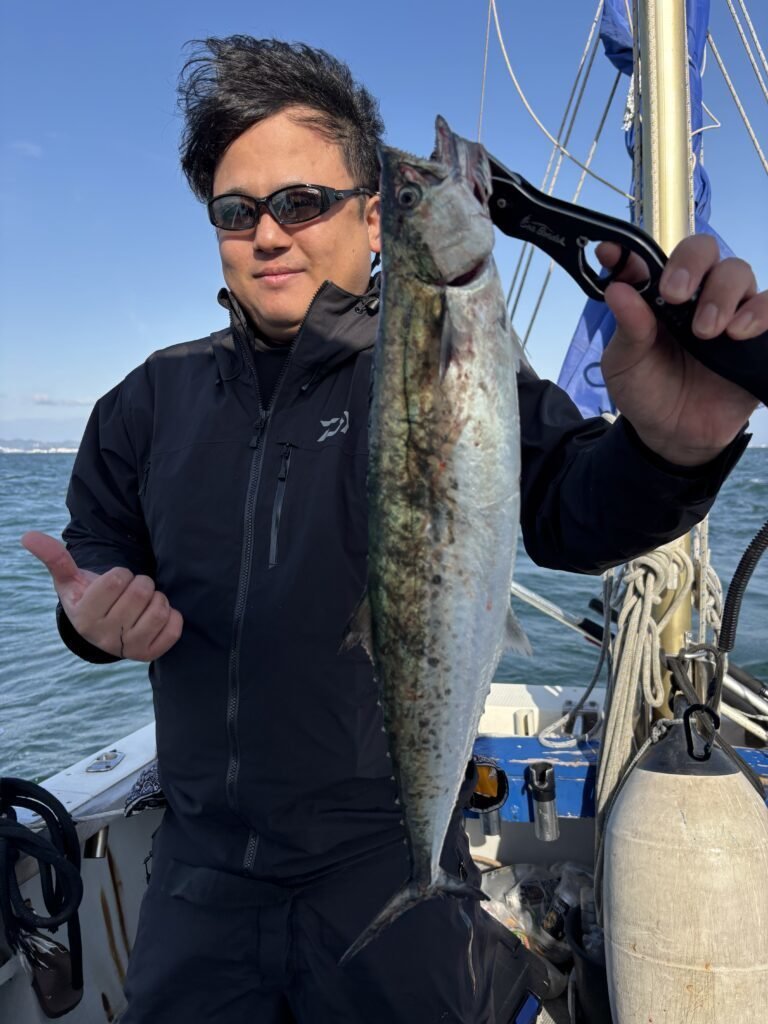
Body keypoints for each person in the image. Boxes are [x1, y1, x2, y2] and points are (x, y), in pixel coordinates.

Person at [22, 36, 765, 1024]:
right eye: (237, 211)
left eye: (302, 201)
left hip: (390, 851)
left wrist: (668, 453)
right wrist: (91, 620)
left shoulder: (449, 362)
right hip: (201, 876)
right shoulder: (146, 403)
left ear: (374, 218)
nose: (268, 234)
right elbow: (97, 554)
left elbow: (571, 509)